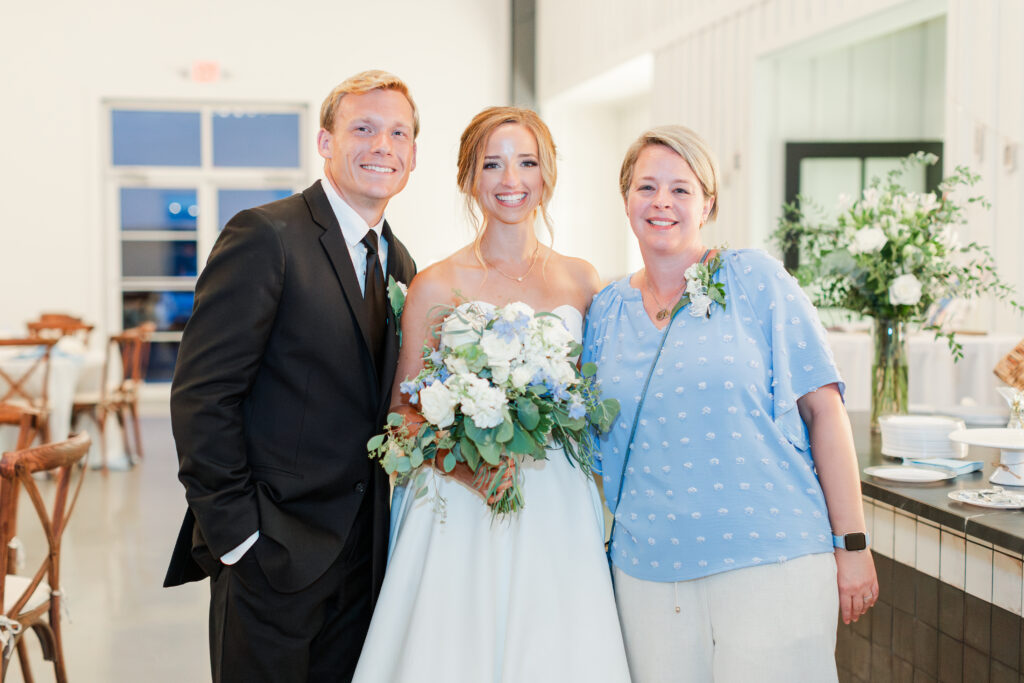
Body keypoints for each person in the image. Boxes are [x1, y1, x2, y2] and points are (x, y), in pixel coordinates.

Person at [581, 125, 877, 683]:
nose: (662, 202)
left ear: (708, 202)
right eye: (646, 187)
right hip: (648, 571)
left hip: (773, 560)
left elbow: (824, 412)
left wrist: (853, 544)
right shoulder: (605, 311)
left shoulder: (755, 280)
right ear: (625, 200)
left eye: (680, 189)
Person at [351, 106, 631, 682]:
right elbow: (402, 415)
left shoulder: (582, 280)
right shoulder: (436, 282)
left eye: (527, 163)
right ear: (468, 178)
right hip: (462, 502)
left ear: (547, 175)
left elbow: (597, 399)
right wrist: (468, 467)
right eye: (493, 164)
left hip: (558, 503)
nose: (511, 181)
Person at [163, 70, 419, 683]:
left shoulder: (401, 261)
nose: (382, 145)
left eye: (398, 133)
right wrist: (238, 538)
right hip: (270, 553)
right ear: (326, 141)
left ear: (413, 154)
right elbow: (203, 396)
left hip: (363, 558)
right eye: (363, 128)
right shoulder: (266, 235)